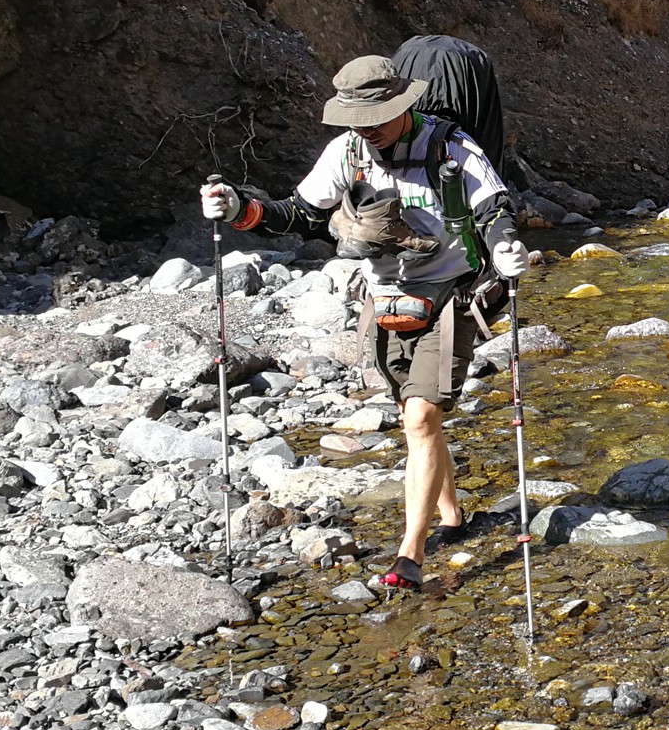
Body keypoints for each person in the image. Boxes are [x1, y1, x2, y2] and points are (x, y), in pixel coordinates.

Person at [201, 55, 532, 589]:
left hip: (452, 293)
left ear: (403, 105)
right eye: (356, 119)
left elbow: (494, 209)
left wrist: (505, 247)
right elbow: (299, 214)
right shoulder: (347, 152)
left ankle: (410, 555)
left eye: (375, 118)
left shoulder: (451, 146)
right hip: (385, 300)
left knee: (421, 416)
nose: (366, 129)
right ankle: (451, 515)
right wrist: (240, 209)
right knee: (415, 417)